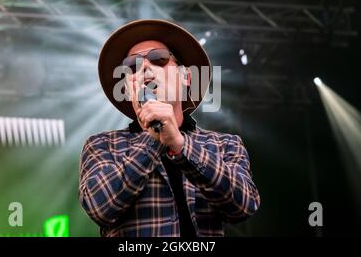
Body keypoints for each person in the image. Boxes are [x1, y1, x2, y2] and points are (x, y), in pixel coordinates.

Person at [79, 19, 260, 237]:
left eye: (159, 58)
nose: (145, 67)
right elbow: (100, 208)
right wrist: (154, 138)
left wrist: (180, 144)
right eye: (132, 65)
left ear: (186, 77)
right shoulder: (102, 145)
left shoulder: (224, 145)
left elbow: (244, 205)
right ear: (127, 88)